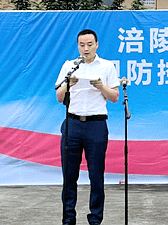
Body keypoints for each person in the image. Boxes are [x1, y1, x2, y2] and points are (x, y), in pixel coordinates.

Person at [55, 29, 120, 225]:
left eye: (90, 44)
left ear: (97, 44)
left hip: (96, 125)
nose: (86, 49)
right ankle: (68, 219)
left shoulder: (107, 66)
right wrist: (68, 84)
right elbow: (59, 97)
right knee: (69, 175)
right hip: (73, 124)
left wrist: (101, 86)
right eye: (82, 45)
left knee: (96, 175)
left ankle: (95, 219)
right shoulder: (69, 66)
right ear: (78, 46)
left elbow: (114, 97)